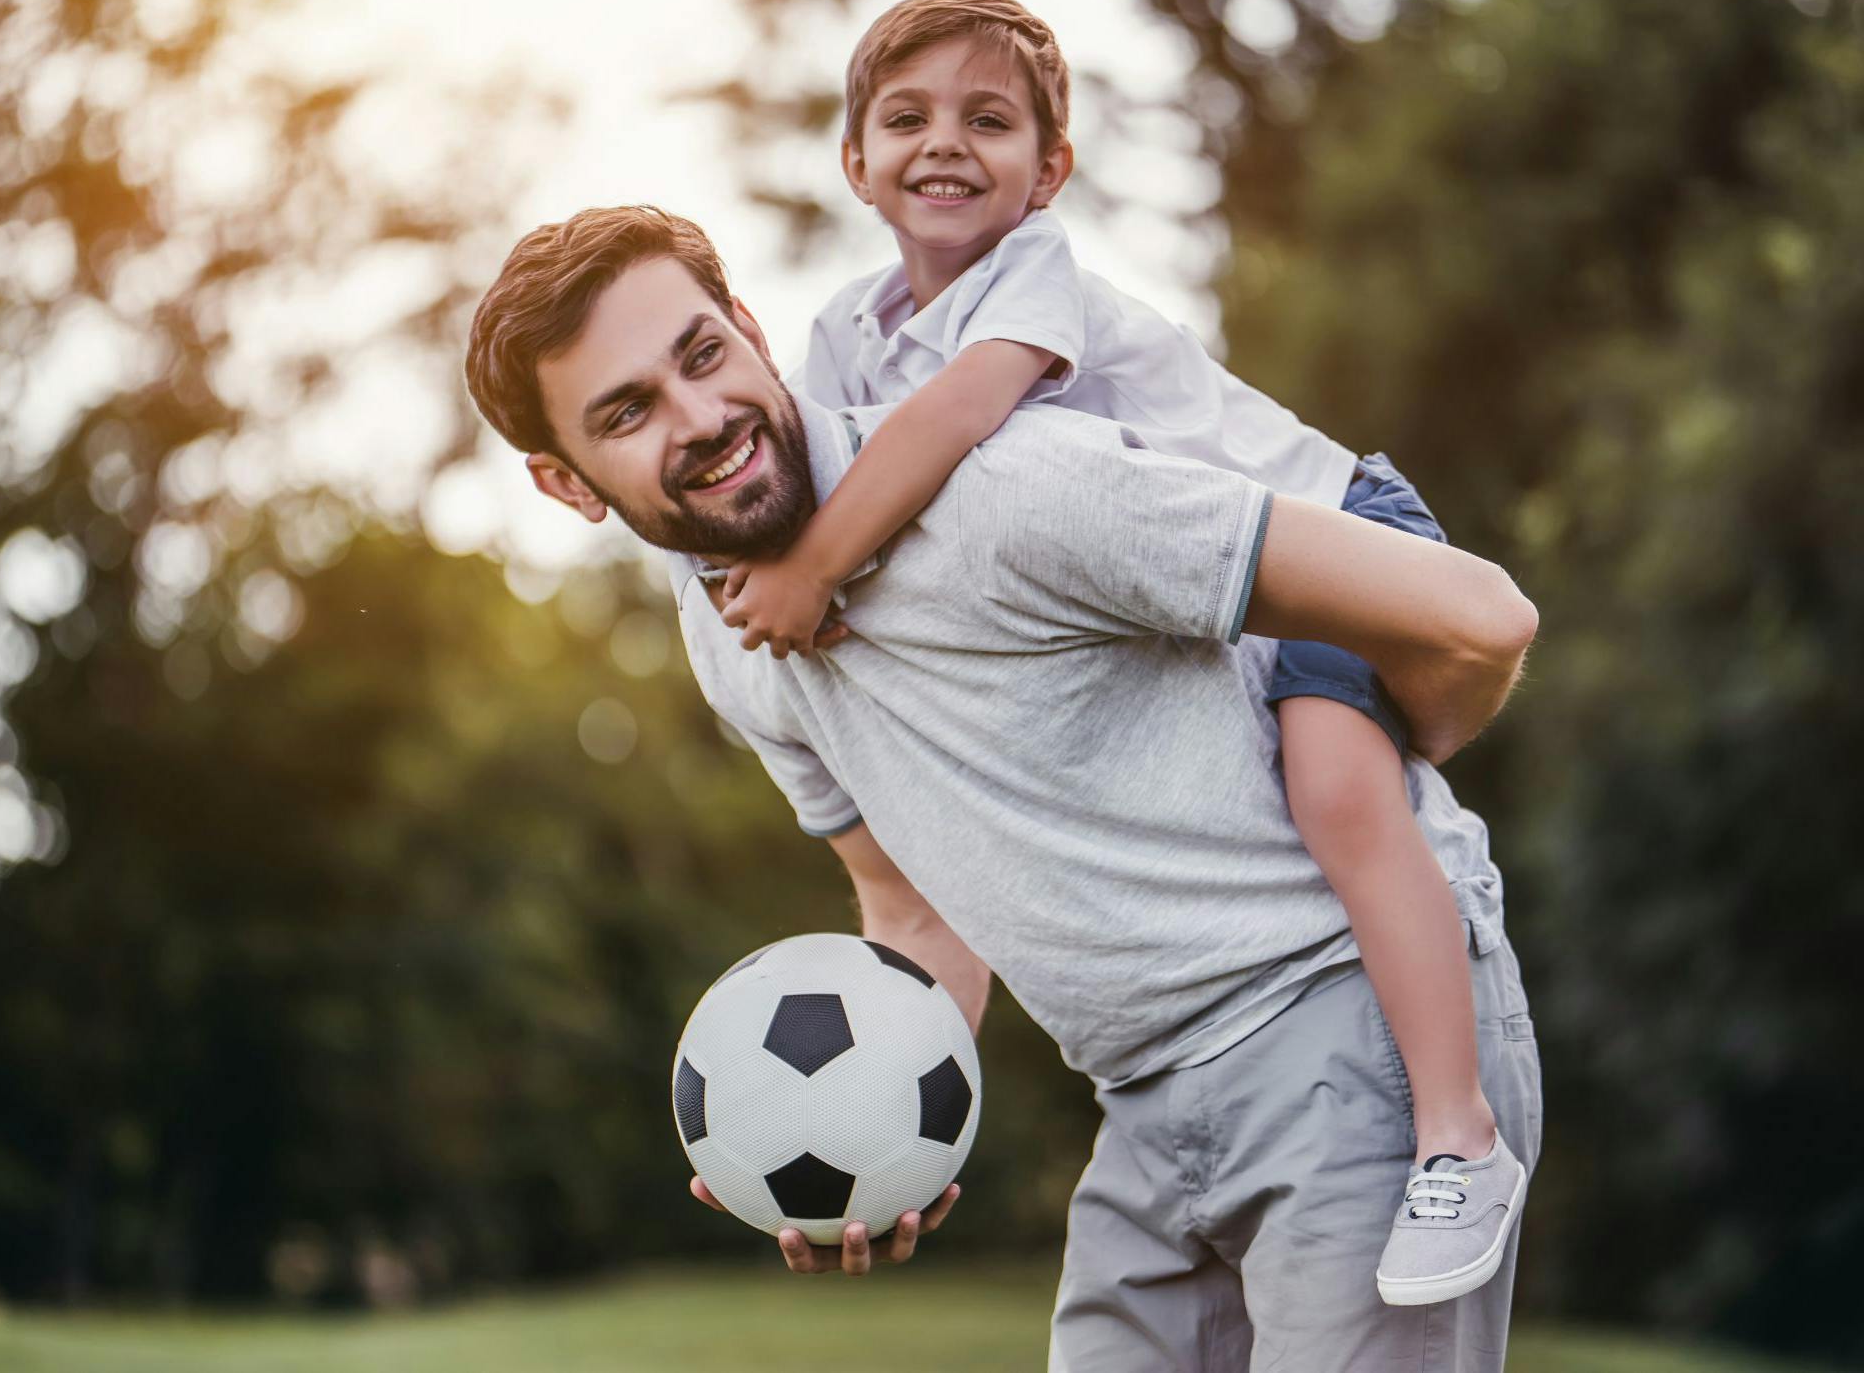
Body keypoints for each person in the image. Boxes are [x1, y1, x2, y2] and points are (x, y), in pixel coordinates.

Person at [463, 204, 1543, 1371]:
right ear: (566, 485)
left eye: (702, 354)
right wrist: (868, 1125)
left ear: (750, 328)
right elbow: (914, 909)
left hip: (1347, 1024)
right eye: (627, 412)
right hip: (1142, 1101)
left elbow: (1479, 619)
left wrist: (1378, 789)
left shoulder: (1007, 495)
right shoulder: (729, 640)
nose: (702, 418)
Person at [712, 0, 1518, 1309]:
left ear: (1049, 169)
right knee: (1287, 786)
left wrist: (808, 568)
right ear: (852, 161)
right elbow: (840, 474)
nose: (944, 145)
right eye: (904, 118)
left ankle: (1452, 1133)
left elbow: (960, 415)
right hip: (1206, 591)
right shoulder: (841, 335)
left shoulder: (1030, 279)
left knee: (1334, 794)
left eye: (989, 119)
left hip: (1330, 532)